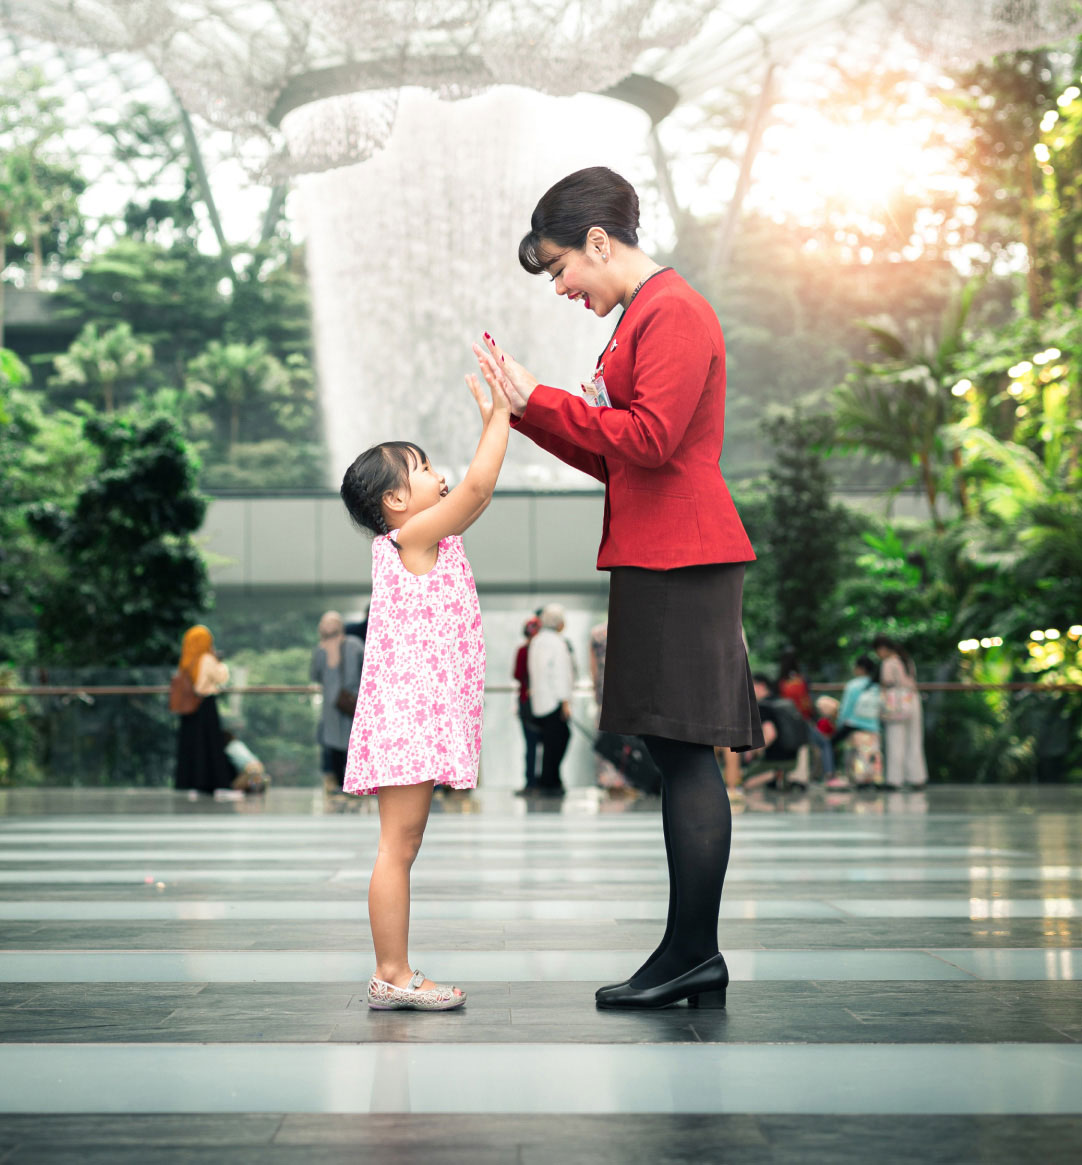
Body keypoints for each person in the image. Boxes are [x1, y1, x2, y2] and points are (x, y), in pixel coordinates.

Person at [473, 165, 762, 1011]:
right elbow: (611, 451)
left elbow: (651, 437)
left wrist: (541, 397)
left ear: (601, 241)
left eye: (563, 266)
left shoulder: (671, 311)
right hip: (660, 550)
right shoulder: (644, 315)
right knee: (677, 755)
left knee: (684, 752)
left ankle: (691, 952)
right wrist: (525, 407)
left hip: (681, 553)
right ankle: (686, 951)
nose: (562, 286)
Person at [338, 368, 509, 1011]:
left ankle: (394, 970)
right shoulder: (412, 538)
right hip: (407, 719)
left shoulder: (422, 539)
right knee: (397, 846)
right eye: (424, 466)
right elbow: (480, 486)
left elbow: (473, 493)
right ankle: (392, 973)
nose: (438, 472)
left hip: (412, 717)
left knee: (402, 845)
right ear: (396, 502)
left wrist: (498, 418)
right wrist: (500, 416)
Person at [172, 624, 234, 795]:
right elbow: (221, 677)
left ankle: (192, 783)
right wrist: (219, 662)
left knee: (193, 746)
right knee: (210, 745)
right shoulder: (206, 659)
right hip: (206, 705)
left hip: (189, 709)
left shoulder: (186, 660)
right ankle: (213, 783)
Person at [311, 610, 365, 793]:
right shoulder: (321, 650)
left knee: (354, 742)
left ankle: (353, 782)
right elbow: (315, 674)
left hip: (352, 702)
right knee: (333, 743)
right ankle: (339, 783)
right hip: (333, 706)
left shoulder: (354, 645)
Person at [527, 603, 574, 796]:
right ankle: (550, 780)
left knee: (549, 743)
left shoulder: (537, 641)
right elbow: (560, 673)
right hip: (554, 701)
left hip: (540, 701)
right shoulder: (556, 642)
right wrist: (565, 701)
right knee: (559, 739)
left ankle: (549, 778)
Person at [874, 634, 928, 789]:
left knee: (895, 739)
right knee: (915, 739)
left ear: (883, 649)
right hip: (912, 700)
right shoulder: (906, 660)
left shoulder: (888, 663)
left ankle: (894, 779)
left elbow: (887, 683)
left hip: (895, 702)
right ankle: (917, 778)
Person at [741, 675, 811, 790]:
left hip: (774, 760)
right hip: (792, 758)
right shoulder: (782, 702)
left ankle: (777, 775)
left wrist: (753, 751)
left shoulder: (762, 706)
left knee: (745, 783)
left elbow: (770, 734)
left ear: (761, 686)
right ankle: (780, 779)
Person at [777, 649, 835, 781]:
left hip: (784, 724)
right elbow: (807, 704)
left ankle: (782, 777)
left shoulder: (780, 682)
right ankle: (829, 774)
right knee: (824, 742)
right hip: (802, 721)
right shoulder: (802, 680)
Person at [832, 654, 883, 789]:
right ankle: (873, 779)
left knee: (829, 744)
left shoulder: (853, 685)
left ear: (860, 669)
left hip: (854, 725)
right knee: (871, 754)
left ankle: (833, 775)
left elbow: (845, 709)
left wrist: (839, 724)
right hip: (873, 726)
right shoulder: (876, 686)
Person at [512, 615, 543, 794]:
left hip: (526, 703)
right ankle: (543, 780)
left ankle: (530, 781)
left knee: (530, 745)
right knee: (545, 744)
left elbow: (517, 674)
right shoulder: (541, 650)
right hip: (543, 703)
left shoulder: (523, 651)